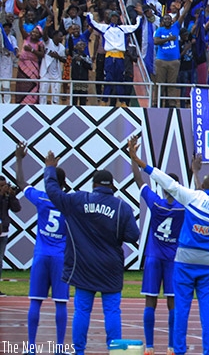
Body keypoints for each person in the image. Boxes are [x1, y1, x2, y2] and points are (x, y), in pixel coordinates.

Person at [128, 136, 209, 355]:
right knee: (206, 312)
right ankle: (208, 351)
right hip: (208, 261)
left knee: (181, 308)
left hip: (182, 259)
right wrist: (196, 174)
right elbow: (208, 205)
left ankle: (178, 349)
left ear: (201, 187)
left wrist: (136, 159)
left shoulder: (188, 199)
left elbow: (168, 183)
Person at [43, 150, 140, 355]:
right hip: (110, 267)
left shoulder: (78, 200)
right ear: (111, 187)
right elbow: (133, 236)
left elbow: (53, 192)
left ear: (94, 185)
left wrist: (50, 168)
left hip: (83, 266)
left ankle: (79, 351)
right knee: (112, 311)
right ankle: (117, 352)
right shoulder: (122, 206)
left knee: (82, 311)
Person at [131, 150, 187, 355]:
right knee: (173, 303)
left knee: (150, 301)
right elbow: (198, 194)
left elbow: (139, 180)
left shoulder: (155, 202)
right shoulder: (183, 208)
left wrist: (132, 157)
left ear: (164, 188)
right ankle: (172, 347)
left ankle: (150, 346)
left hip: (154, 256)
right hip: (173, 259)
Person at [14, 142, 68, 350]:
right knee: (61, 302)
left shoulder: (41, 197)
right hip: (60, 257)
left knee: (35, 301)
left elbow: (20, 182)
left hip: (41, 254)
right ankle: (60, 347)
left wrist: (19, 158)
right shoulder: (67, 201)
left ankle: (31, 346)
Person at [86, 8, 142, 106]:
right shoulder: (105, 28)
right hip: (109, 55)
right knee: (108, 78)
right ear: (110, 18)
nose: (114, 19)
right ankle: (104, 100)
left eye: (116, 17)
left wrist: (139, 17)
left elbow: (136, 27)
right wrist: (89, 14)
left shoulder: (123, 29)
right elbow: (92, 23)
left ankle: (122, 101)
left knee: (120, 79)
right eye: (113, 17)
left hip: (120, 56)